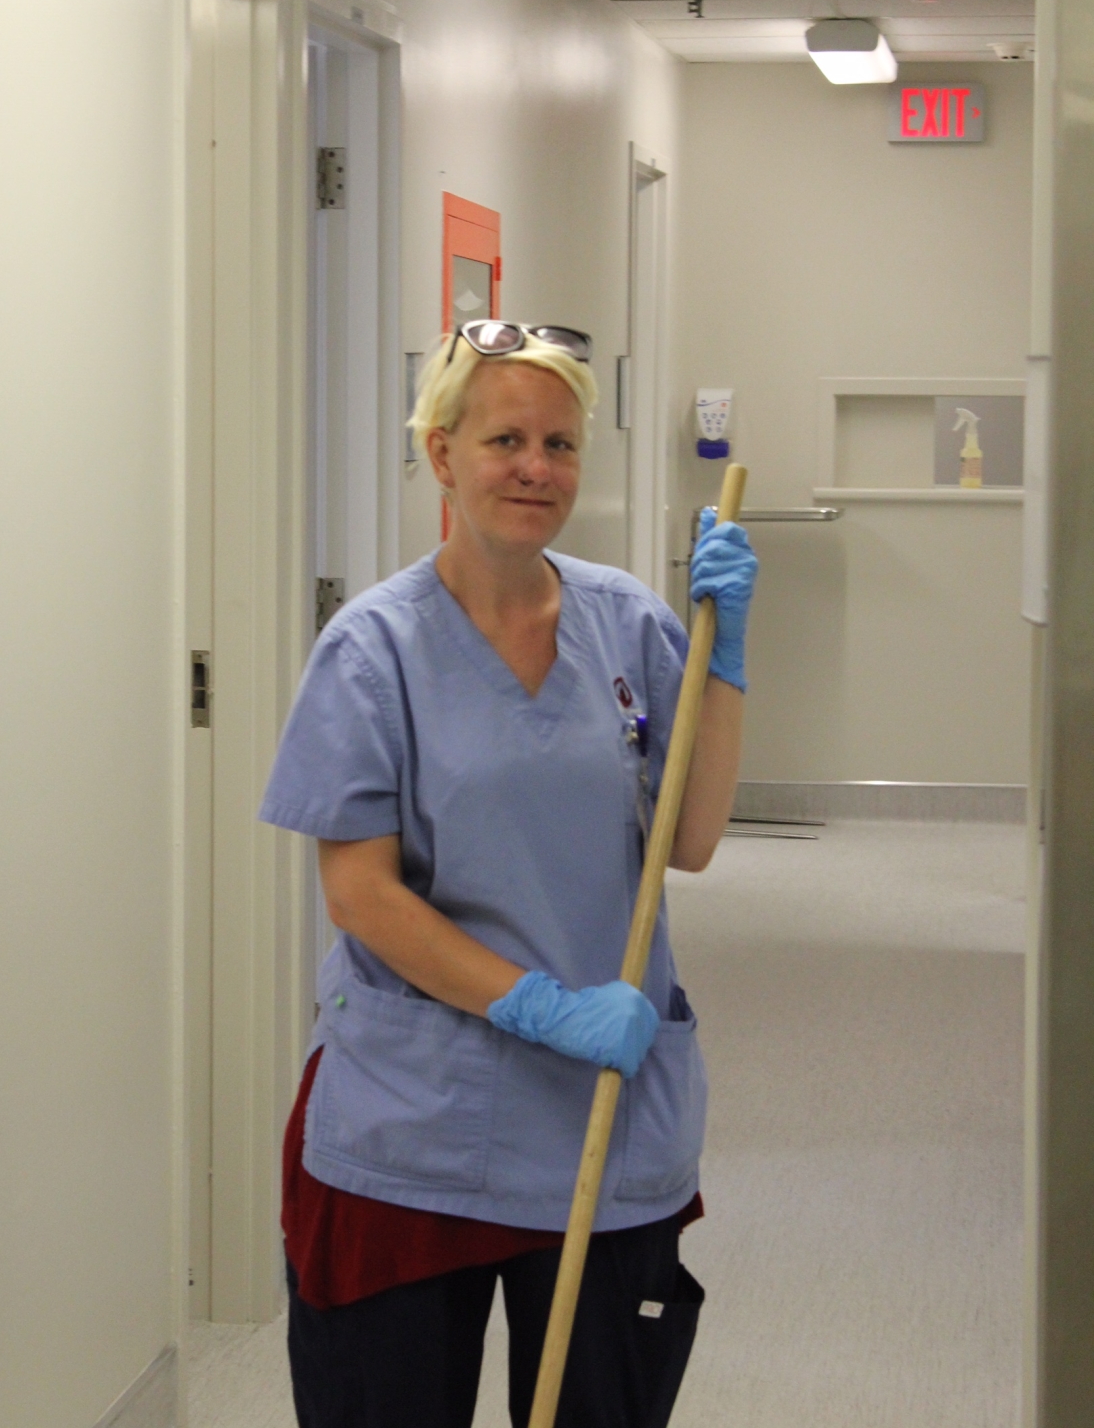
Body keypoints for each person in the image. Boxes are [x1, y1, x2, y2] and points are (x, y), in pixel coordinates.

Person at [260, 319, 758, 1428]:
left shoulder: (626, 621)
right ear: (442, 454)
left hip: (601, 1122)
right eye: (504, 441)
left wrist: (724, 662)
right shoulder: (372, 648)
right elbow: (360, 895)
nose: (537, 468)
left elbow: (693, 836)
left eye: (561, 443)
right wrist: (538, 1007)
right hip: (416, 1128)